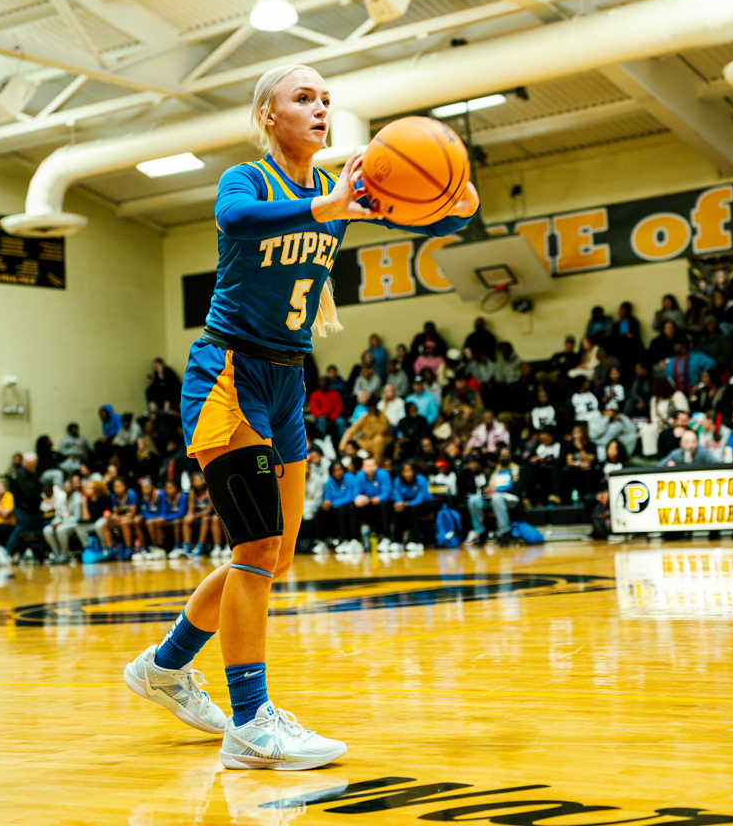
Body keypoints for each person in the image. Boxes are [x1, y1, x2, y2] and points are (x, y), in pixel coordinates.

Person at [123, 62, 479, 770]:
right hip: (227, 374)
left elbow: (458, 206)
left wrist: (446, 185)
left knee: (273, 556)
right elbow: (234, 220)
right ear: (268, 116)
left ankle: (164, 667)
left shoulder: (341, 181)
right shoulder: (249, 181)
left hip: (287, 380)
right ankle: (252, 724)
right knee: (255, 551)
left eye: (326, 100)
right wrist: (331, 209)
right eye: (303, 99)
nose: (319, 109)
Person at [6, 452, 47, 562]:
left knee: (33, 529)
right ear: (28, 462)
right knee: (20, 531)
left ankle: (34, 553)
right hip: (23, 509)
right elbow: (29, 493)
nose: (36, 464)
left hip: (31, 509)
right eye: (34, 462)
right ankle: (7, 553)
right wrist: (39, 496)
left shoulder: (30, 473)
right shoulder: (22, 474)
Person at [352, 456, 393, 551]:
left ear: (377, 466)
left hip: (381, 505)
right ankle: (355, 541)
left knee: (385, 505)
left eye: (373, 465)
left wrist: (371, 500)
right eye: (368, 466)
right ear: (363, 467)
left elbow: (386, 493)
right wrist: (357, 499)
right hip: (367, 505)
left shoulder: (383, 474)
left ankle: (387, 538)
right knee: (351, 507)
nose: (370, 468)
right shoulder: (359, 475)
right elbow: (355, 493)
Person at [390, 461, 431, 552]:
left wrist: (405, 504)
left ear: (414, 471)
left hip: (425, 503)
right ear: (401, 472)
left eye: (410, 470)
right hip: (407, 504)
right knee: (398, 510)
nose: (408, 473)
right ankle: (397, 541)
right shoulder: (397, 481)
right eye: (405, 471)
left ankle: (416, 541)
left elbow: (420, 499)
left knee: (414, 510)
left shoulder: (421, 479)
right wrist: (399, 503)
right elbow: (397, 495)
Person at [321, 460, 359, 554]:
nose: (338, 472)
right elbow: (327, 496)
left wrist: (333, 503)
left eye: (340, 470)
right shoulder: (330, 481)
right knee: (321, 511)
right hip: (337, 507)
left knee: (344, 509)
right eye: (335, 470)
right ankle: (322, 541)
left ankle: (351, 540)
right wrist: (326, 502)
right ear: (331, 472)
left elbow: (349, 498)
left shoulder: (350, 477)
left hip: (349, 505)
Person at [177, 473, 214, 559]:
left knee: (205, 518)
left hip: (209, 516)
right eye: (195, 481)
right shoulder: (192, 493)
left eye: (199, 480)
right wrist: (189, 515)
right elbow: (191, 508)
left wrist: (195, 515)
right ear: (192, 483)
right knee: (186, 519)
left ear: (203, 480)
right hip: (198, 517)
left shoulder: (208, 491)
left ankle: (200, 547)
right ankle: (187, 547)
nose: (197, 483)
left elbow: (208, 511)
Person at [101, 476, 138, 560]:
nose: (117, 488)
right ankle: (110, 550)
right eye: (115, 487)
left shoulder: (131, 494)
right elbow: (115, 513)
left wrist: (118, 518)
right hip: (121, 519)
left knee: (124, 523)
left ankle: (128, 549)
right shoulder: (114, 496)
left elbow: (132, 513)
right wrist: (113, 517)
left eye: (119, 486)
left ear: (124, 486)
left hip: (134, 518)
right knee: (105, 524)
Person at [308, 375, 345, 442]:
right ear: (319, 383)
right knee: (321, 421)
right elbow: (313, 410)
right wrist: (323, 415)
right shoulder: (314, 395)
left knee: (341, 421)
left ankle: (343, 443)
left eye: (325, 382)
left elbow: (339, 408)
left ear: (328, 383)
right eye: (321, 382)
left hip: (333, 418)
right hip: (321, 417)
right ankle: (321, 443)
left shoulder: (335, 393)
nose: (323, 384)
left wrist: (331, 417)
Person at [0, 479, 15, 547]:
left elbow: (5, 515)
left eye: (1, 487)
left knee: (1, 531)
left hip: (6, 524)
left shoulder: (8, 496)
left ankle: (2, 551)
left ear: (5, 487)